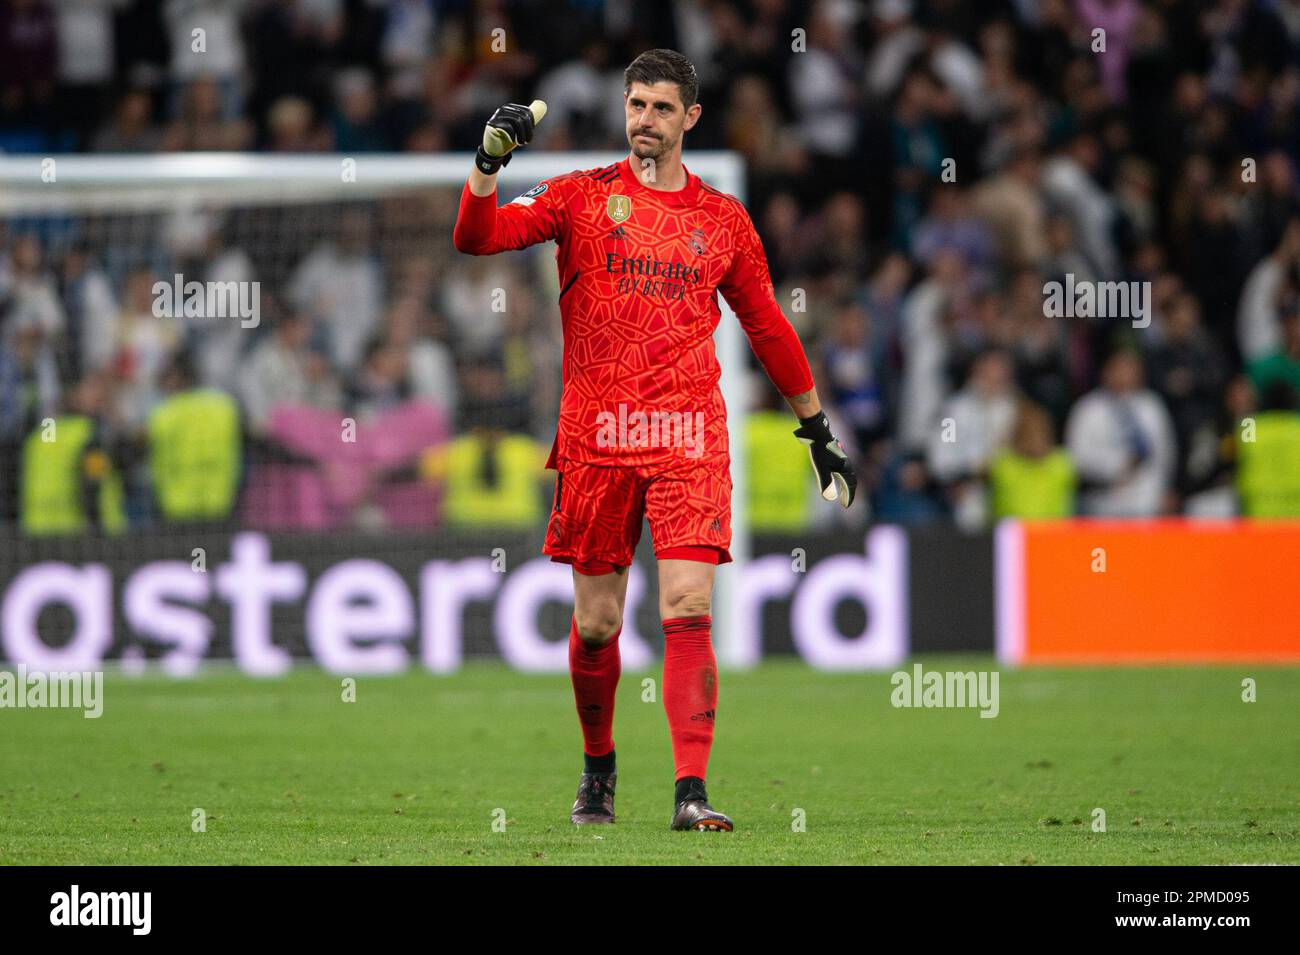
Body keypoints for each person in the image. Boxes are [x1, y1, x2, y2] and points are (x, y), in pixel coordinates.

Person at [452, 49, 856, 832]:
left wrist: (816, 427)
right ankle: (598, 770)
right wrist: (486, 166)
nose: (645, 120)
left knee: (686, 602)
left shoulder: (723, 218)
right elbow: (478, 239)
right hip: (596, 437)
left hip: (687, 436)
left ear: (690, 119)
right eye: (636, 105)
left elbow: (767, 326)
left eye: (662, 108)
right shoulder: (579, 196)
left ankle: (690, 791)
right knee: (598, 622)